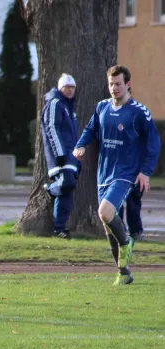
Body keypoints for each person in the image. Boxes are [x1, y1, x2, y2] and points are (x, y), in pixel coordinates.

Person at [74, 65, 160, 285]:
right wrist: (81, 145)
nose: (114, 88)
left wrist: (145, 172)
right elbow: (90, 130)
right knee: (108, 226)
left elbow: (153, 144)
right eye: (111, 84)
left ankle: (127, 243)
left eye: (118, 84)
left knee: (104, 212)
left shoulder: (139, 112)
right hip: (104, 172)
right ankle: (123, 273)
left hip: (126, 173)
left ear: (128, 84)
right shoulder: (101, 107)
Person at [41, 73, 80, 239]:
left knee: (67, 190)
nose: (70, 90)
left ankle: (59, 228)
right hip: (60, 156)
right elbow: (52, 129)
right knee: (66, 183)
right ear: (60, 88)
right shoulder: (55, 103)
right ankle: (49, 189)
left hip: (71, 156)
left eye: (72, 88)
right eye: (67, 87)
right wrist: (60, 154)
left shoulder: (69, 108)